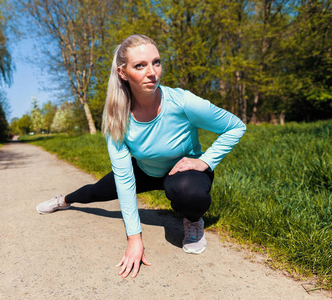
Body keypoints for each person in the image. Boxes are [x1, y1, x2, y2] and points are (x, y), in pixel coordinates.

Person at [36, 34, 246, 279]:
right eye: (140, 65)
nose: (152, 72)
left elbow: (235, 126)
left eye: (156, 62)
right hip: (144, 170)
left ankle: (193, 220)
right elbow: (125, 181)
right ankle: (64, 200)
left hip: (184, 171)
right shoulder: (118, 118)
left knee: (189, 192)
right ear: (123, 73)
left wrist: (205, 161)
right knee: (95, 192)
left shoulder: (183, 102)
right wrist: (134, 238)